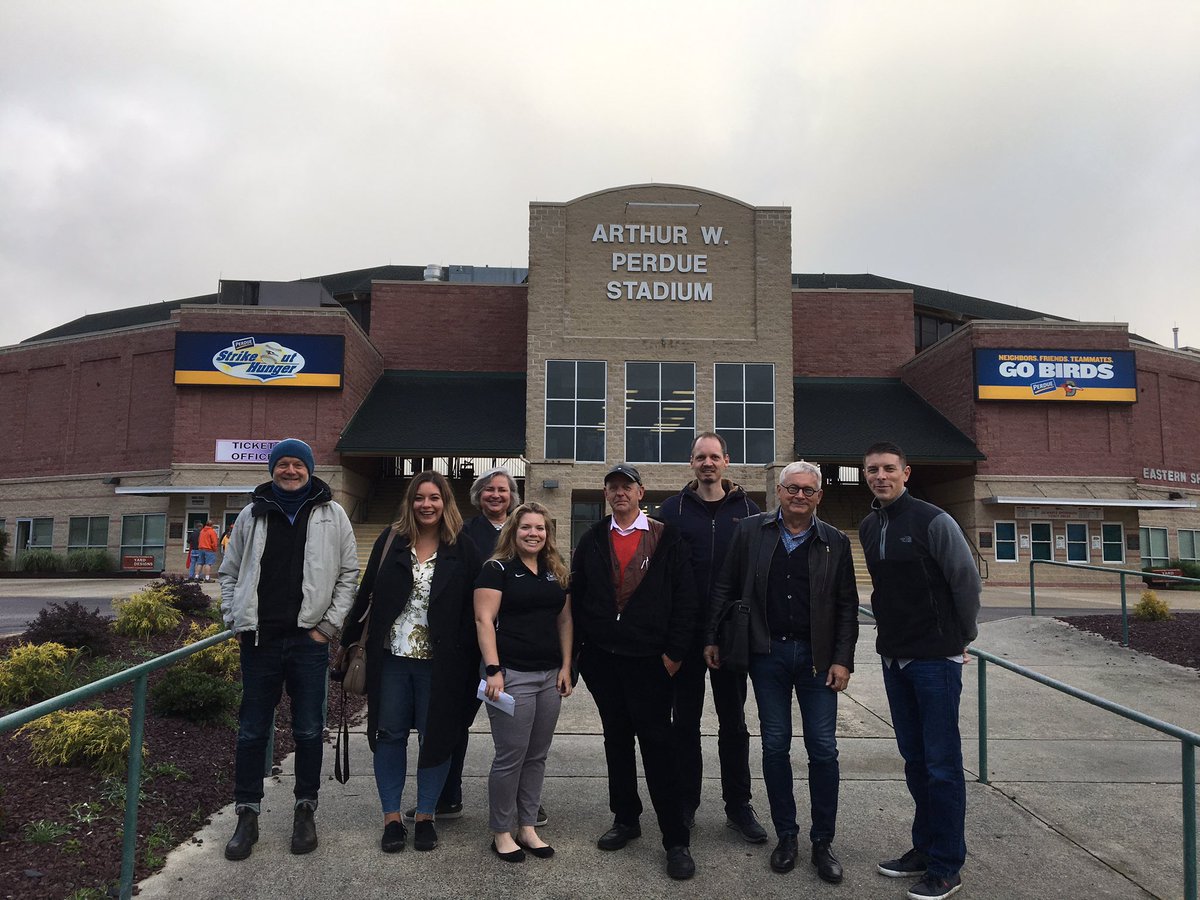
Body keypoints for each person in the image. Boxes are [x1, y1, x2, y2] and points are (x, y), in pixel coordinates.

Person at [706, 460, 859, 884]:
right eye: (792, 488)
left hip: (817, 659)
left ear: (819, 496)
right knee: (775, 747)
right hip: (767, 654)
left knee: (823, 749)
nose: (799, 496)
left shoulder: (834, 541)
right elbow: (725, 587)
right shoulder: (750, 531)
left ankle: (822, 841)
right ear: (779, 491)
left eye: (808, 490)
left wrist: (842, 659)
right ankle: (787, 836)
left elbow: (847, 605)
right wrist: (712, 637)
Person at [218, 438, 359, 861]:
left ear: (310, 469)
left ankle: (305, 810)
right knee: (252, 730)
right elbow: (229, 572)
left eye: (299, 464)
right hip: (259, 641)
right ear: (273, 469)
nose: (291, 470)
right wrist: (234, 617)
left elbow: (348, 575)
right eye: (284, 464)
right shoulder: (251, 514)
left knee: (309, 729)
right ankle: (247, 815)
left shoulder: (333, 514)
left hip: (307, 642)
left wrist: (327, 628)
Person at [859, 442, 981, 900]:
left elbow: (965, 581)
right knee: (915, 761)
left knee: (942, 766)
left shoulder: (934, 520)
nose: (881, 476)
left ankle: (947, 865)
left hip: (934, 661)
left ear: (906, 473)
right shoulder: (869, 526)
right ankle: (925, 848)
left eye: (889, 468)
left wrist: (961, 637)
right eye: (873, 470)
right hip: (894, 658)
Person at [341, 471, 482, 854]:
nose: (426, 504)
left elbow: (477, 608)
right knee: (389, 736)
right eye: (419, 497)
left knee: (435, 739)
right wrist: (348, 644)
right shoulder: (391, 541)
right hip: (392, 661)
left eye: (434, 497)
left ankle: (425, 816)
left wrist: (474, 660)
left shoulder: (463, 547)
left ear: (446, 502)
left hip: (441, 665)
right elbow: (366, 593)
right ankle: (391, 818)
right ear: (410, 502)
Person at [571, 463, 698, 881]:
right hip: (604, 661)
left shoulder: (666, 537)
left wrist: (674, 653)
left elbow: (685, 598)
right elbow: (578, 596)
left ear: (641, 492)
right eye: (613, 487)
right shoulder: (592, 538)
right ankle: (626, 818)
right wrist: (582, 655)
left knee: (659, 746)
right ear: (606, 494)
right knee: (617, 741)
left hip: (651, 662)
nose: (620, 493)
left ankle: (675, 839)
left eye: (627, 486)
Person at [657, 432, 766, 842]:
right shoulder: (672, 510)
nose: (707, 463)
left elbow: (756, 572)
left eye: (714, 457)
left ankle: (738, 805)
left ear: (726, 461)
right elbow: (661, 573)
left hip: (731, 633)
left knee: (733, 723)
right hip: (684, 635)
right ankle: (686, 802)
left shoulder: (749, 511)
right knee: (684, 723)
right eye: (700, 457)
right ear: (691, 462)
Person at [416, 466, 530, 824]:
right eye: (489, 490)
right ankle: (447, 796)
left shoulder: (526, 530)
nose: (496, 495)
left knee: (517, 732)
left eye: (503, 490)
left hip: (514, 644)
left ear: (513, 496)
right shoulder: (461, 533)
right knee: (454, 723)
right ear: (478, 496)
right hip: (468, 643)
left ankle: (524, 801)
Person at [474, 501, 573, 863]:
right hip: (511, 676)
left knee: (536, 756)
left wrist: (566, 666)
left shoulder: (555, 570)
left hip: (549, 676)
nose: (534, 533)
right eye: (526, 527)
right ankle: (501, 831)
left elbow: (565, 621)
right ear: (513, 532)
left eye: (540, 528)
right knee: (510, 756)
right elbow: (484, 620)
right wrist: (493, 669)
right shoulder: (496, 569)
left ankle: (527, 827)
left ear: (548, 533)